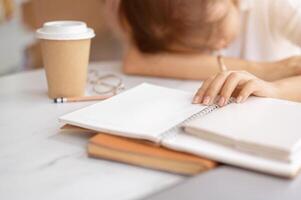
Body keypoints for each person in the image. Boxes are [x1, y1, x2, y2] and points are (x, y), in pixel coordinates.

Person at [105, 0, 301, 106]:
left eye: (219, 27)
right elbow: (138, 60)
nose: (218, 45)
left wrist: (275, 89)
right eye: (195, 48)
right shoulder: (151, 14)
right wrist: (266, 70)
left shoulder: (280, 5)